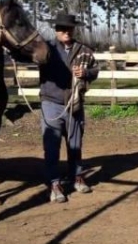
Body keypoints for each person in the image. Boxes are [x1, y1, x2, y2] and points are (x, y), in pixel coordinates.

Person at [38, 13, 99, 203]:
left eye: (69, 28)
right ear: (55, 30)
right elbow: (25, 55)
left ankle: (76, 176)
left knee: (75, 144)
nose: (66, 31)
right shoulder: (45, 49)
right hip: (51, 102)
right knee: (52, 145)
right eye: (62, 28)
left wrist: (86, 72)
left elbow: (96, 69)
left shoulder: (84, 50)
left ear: (74, 29)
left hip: (75, 103)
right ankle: (54, 183)